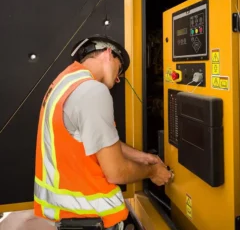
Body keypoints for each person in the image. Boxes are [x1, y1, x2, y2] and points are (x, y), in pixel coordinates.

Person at [33, 34, 172, 230]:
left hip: (71, 215)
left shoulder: (64, 83)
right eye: (120, 70)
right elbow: (116, 172)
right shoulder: (93, 91)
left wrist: (143, 157)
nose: (117, 79)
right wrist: (153, 172)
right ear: (108, 54)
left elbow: (98, 140)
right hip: (92, 217)